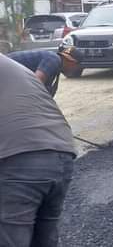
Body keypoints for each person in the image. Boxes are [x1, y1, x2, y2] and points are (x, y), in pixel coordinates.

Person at [0, 53, 76, 247]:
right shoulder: (10, 64)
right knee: (44, 237)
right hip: (62, 150)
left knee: (11, 238)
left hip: (22, 158)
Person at [7, 46, 83, 97]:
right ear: (72, 62)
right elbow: (35, 84)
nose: (74, 70)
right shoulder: (53, 59)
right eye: (76, 67)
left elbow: (45, 93)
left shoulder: (56, 67)